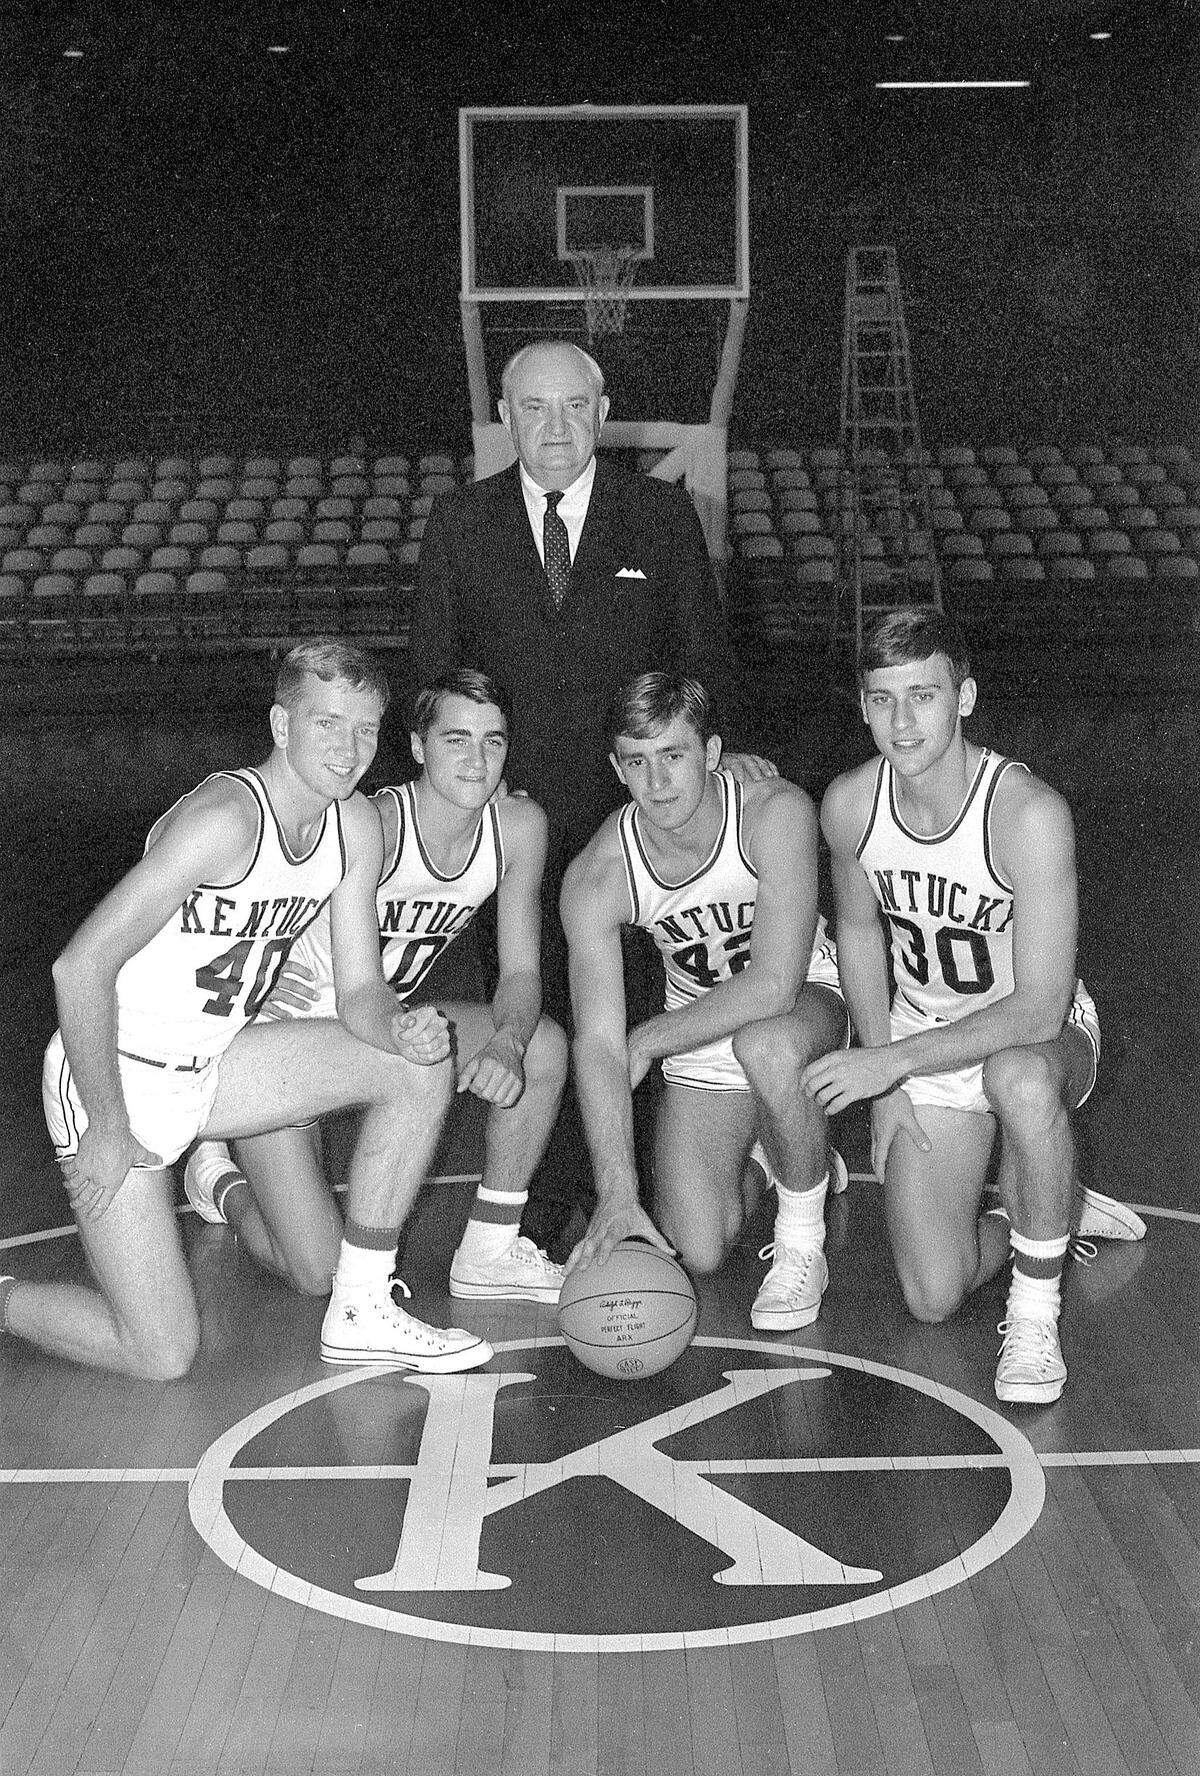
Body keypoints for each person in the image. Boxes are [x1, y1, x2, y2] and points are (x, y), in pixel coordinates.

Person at [0, 640, 495, 1380]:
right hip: (116, 1076)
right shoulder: (226, 819)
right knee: (161, 1354)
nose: (349, 748)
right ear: (281, 724)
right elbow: (80, 966)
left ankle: (362, 1308)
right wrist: (105, 1124)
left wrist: (397, 1026)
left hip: (214, 1066)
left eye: (365, 729)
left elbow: (360, 989)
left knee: (417, 1066)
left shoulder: (354, 825)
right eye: (327, 723)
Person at [410, 339, 771, 1253]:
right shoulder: (458, 525)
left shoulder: (660, 515)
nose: (558, 426)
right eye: (535, 407)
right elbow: (433, 675)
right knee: (529, 1010)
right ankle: (546, 1193)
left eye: (575, 406)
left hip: (636, 815)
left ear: (604, 414)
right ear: (506, 415)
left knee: (640, 1004)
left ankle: (641, 1180)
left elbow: (703, 654)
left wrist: (736, 759)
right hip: (517, 818)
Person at [803, 608, 1145, 1406]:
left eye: (922, 695)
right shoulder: (851, 805)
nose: (901, 720)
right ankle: (1052, 1208)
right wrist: (888, 1088)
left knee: (1019, 1080)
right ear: (861, 707)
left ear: (964, 698)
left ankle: (1034, 1314)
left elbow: (1037, 1010)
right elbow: (858, 935)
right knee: (932, 1294)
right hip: (923, 1035)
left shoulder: (1027, 813)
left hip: (1037, 1033)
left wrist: (890, 1064)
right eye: (882, 700)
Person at [183, 668, 568, 1304]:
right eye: (455, 740)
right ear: (416, 747)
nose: (477, 761)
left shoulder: (519, 827)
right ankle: (218, 1180)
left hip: (384, 1021)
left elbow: (521, 971)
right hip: (291, 1031)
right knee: (319, 1275)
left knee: (543, 1045)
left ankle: (490, 1250)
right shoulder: (374, 826)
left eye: (493, 742)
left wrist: (509, 1043)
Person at [561, 672, 847, 1331]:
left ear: (712, 753)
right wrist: (617, 1193)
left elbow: (774, 983)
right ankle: (778, 1151)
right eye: (637, 761)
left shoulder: (774, 811)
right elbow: (598, 1040)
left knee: (767, 1043)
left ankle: (804, 1245)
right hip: (699, 1028)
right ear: (616, 767)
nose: (657, 783)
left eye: (674, 756)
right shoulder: (598, 875)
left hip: (803, 1004)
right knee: (698, 1247)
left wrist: (652, 1038)